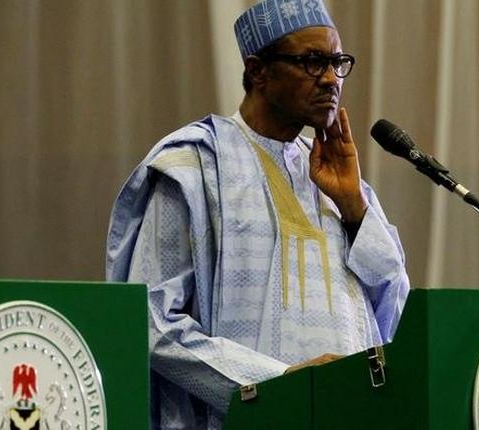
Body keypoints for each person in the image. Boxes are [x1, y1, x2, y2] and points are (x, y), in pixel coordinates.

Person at [106, 1, 410, 428]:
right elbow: (150, 321)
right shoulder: (194, 167)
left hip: (346, 414)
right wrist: (278, 382)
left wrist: (354, 207)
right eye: (311, 62)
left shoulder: (337, 176)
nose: (330, 79)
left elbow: (393, 312)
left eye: (337, 62)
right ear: (258, 71)